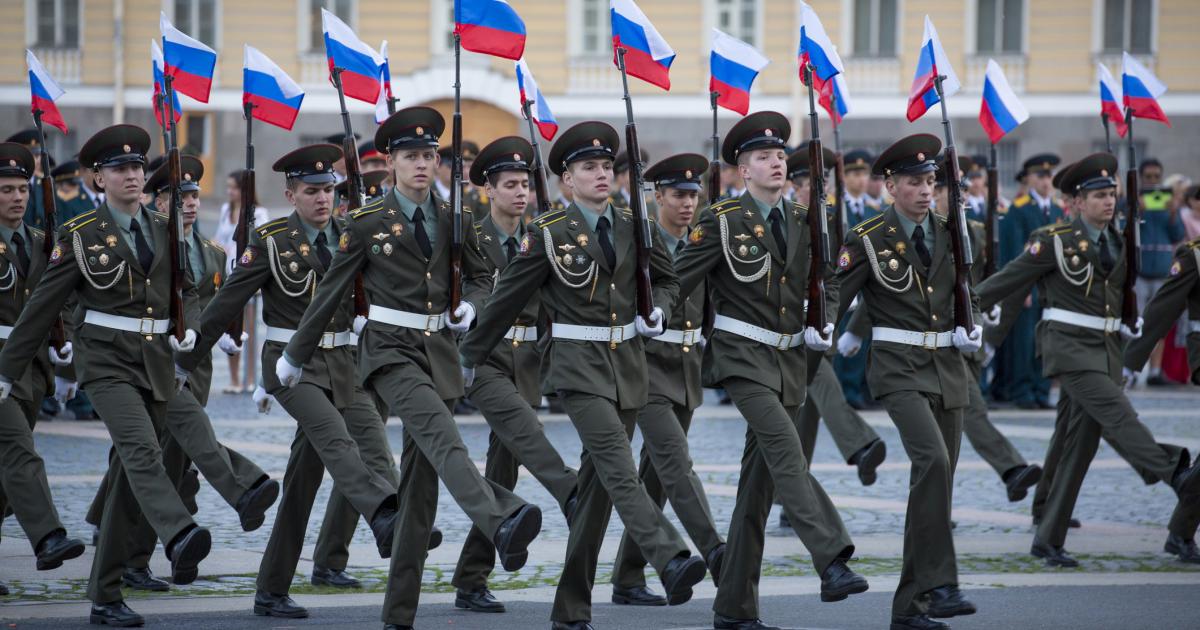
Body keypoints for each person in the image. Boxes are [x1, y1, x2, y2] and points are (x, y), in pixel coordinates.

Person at [280, 108, 542, 630]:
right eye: (411, 157)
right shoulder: (368, 221)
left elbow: (478, 276)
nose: (422, 164)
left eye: (429, 156)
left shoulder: (454, 220)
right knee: (444, 438)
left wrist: (470, 302)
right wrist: (294, 355)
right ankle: (500, 517)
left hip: (439, 353)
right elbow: (332, 289)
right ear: (391, 162)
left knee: (420, 495)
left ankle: (398, 614)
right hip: (389, 351)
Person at [460, 121, 707, 630]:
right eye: (588, 167)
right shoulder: (548, 234)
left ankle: (569, 611)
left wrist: (657, 309)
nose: (600, 174)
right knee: (618, 466)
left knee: (595, 497)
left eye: (605, 167)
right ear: (567, 180)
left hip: (629, 370)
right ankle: (669, 556)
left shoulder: (632, 223)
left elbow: (670, 278)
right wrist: (468, 358)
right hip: (577, 369)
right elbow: (505, 303)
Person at [175, 144, 404, 619]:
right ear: (291, 193)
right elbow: (226, 304)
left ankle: (271, 588)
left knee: (349, 460)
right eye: (311, 191)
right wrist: (184, 363)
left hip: (344, 362)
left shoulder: (350, 234)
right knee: (337, 440)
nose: (323, 199)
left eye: (328, 190)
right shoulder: (272, 240)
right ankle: (385, 514)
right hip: (289, 367)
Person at [0, 125, 208, 627]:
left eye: (138, 167)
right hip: (106, 365)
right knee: (139, 450)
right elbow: (43, 308)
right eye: (120, 169)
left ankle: (105, 594)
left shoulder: (165, 230)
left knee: (125, 485)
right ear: (98, 178)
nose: (133, 175)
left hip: (155, 363)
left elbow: (184, 295)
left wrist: (189, 334)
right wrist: (8, 373)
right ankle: (179, 532)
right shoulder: (80, 235)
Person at [675, 112, 868, 630]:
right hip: (741, 357)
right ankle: (831, 559)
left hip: (789, 361)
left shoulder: (810, 218)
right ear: (742, 169)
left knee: (756, 489)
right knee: (787, 450)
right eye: (764, 157)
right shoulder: (721, 220)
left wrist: (823, 319)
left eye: (781, 156)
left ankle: (734, 608)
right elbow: (676, 281)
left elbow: (827, 279)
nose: (777, 163)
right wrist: (658, 326)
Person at [976, 153, 1200, 569]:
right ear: (1076, 202)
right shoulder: (1054, 240)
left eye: (1111, 194)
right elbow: (1008, 280)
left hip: (1106, 350)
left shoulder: (1118, 239)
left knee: (1077, 446)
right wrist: (969, 315)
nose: (1108, 201)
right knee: (1118, 414)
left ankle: (1048, 536)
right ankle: (1174, 471)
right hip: (1068, 349)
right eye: (1098, 195)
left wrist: (1128, 324)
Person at [85, 155, 279, 594]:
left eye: (193, 196)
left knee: (161, 463)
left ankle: (133, 552)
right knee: (149, 457)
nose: (189, 204)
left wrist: (221, 335)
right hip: (148, 363)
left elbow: (210, 303)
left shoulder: (211, 252)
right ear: (159, 200)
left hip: (193, 368)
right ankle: (225, 501)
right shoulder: (152, 242)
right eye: (178, 196)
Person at [834, 134, 982, 630]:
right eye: (914, 182)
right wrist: (809, 342)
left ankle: (909, 608)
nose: (925, 190)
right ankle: (943, 585)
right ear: (891, 186)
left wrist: (973, 325)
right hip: (898, 367)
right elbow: (838, 297)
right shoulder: (868, 236)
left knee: (935, 485)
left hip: (948, 369)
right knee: (932, 460)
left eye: (931, 181)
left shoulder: (954, 231)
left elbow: (967, 291)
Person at [449, 136, 580, 614]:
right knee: (527, 431)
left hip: (527, 359)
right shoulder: (469, 237)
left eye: (525, 183)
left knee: (503, 467)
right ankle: (572, 490)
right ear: (488, 189)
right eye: (510, 184)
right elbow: (473, 289)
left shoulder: (541, 236)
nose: (520, 192)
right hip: (482, 356)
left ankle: (471, 579)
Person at [608, 152, 727, 607]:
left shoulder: (702, 242)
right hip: (646, 367)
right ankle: (716, 550)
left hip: (685, 367)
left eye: (693, 195)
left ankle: (627, 577)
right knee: (676, 463)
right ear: (657, 197)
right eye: (677, 195)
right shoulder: (641, 242)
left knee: (656, 474)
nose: (687, 204)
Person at [0, 142, 86, 598]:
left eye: (21, 188)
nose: (16, 197)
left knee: (6, 476)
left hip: (32, 368)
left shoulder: (38, 242)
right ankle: (48, 536)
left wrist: (63, 342)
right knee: (19, 453)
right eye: (6, 189)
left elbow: (64, 299)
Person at [787, 145, 887, 487]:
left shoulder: (831, 220)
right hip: (786, 328)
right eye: (812, 184)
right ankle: (860, 444)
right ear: (794, 185)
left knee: (805, 419)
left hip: (820, 323)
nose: (821, 191)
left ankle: (788, 497)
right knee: (818, 385)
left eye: (823, 184)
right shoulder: (782, 219)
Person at [1125, 232, 1200, 563]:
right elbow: (1161, 310)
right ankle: (1182, 530)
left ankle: (1182, 531)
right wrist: (1129, 364)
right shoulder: (1195, 257)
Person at [994, 153, 1063, 409]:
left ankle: (1041, 389)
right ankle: (1022, 390)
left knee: (1046, 340)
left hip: (1051, 287)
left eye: (1049, 176)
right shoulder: (1019, 209)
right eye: (1040, 176)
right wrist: (1020, 288)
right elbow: (1013, 253)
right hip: (1029, 286)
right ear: (1029, 179)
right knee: (1025, 341)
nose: (1046, 181)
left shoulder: (1056, 209)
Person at [214, 169, 270, 394]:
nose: (230, 192)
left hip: (248, 275)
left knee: (249, 328)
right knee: (231, 328)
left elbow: (263, 241)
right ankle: (234, 378)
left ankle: (249, 377)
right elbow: (219, 237)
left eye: (234, 187)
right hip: (228, 273)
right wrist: (217, 246)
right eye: (228, 187)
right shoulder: (226, 210)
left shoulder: (259, 212)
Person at [834, 148, 880, 410]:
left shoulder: (875, 210)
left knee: (865, 339)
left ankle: (862, 389)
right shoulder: (834, 208)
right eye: (853, 173)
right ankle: (845, 391)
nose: (860, 179)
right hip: (845, 283)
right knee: (843, 338)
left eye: (863, 173)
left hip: (869, 285)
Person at [1134, 158, 1187, 385]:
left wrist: (1174, 214)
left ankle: (1155, 371)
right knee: (1135, 324)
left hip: (1161, 271)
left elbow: (1177, 235)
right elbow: (1125, 232)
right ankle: (1132, 370)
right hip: (1140, 271)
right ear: (1141, 178)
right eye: (1149, 177)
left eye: (1157, 177)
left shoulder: (1168, 203)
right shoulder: (1134, 201)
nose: (1153, 182)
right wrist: (1136, 211)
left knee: (1159, 324)